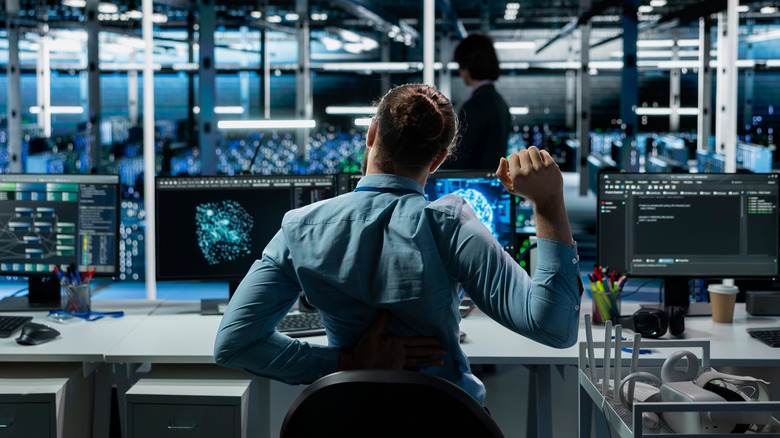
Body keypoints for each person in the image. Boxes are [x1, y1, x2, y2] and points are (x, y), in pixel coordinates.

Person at [214, 83, 582, 404]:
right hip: (445, 424)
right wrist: (548, 204)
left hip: (345, 419)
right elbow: (554, 327)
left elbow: (236, 344)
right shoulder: (452, 226)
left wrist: (347, 363)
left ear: (372, 134)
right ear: (437, 160)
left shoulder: (299, 228)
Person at [444, 33, 512, 170]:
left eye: (461, 66)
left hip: (476, 184)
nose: (460, 72)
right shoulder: (499, 101)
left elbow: (460, 155)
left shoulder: (477, 104)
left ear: (468, 67)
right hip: (492, 183)